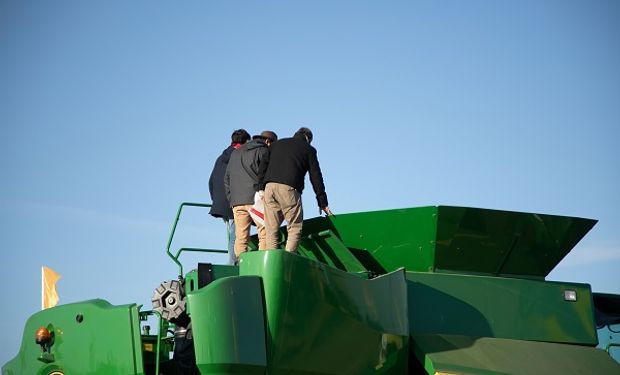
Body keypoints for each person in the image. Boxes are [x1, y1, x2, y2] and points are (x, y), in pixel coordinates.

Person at [258, 127, 332, 252]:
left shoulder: (276, 145)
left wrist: (260, 188)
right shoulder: (309, 150)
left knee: (271, 229)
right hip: (288, 188)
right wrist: (322, 202)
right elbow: (316, 176)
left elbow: (262, 166)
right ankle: (288, 260)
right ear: (308, 139)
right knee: (295, 227)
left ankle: (272, 263)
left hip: (269, 187)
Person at [225, 130, 278, 263]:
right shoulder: (263, 150)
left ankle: (241, 265)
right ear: (268, 141)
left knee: (241, 237)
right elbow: (267, 175)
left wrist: (232, 199)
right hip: (255, 199)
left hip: (237, 201)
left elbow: (226, 178)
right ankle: (262, 264)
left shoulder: (236, 152)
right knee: (264, 232)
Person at [208, 129, 251, 265]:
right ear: (244, 142)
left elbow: (210, 181)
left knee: (233, 231)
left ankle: (233, 260)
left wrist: (216, 200)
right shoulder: (240, 156)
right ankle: (233, 263)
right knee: (236, 234)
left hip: (219, 201)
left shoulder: (221, 157)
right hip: (233, 200)